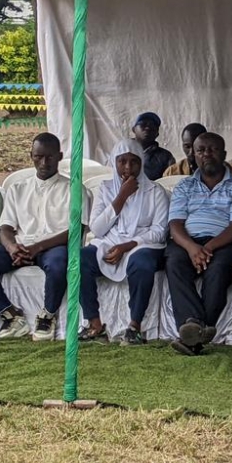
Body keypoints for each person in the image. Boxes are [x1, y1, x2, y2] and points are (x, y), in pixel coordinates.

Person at [0, 133, 91, 341]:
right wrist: (12, 247)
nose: (44, 162)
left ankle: (47, 316)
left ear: (60, 156)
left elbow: (75, 231)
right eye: (38, 157)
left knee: (59, 263)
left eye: (49, 157)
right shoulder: (17, 188)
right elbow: (5, 227)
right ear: (31, 155)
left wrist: (37, 247)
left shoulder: (75, 189)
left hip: (53, 246)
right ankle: (10, 314)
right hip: (21, 246)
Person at [166, 132, 232, 355]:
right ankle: (195, 326)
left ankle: (193, 333)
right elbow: (175, 224)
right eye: (201, 150)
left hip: (226, 242)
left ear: (223, 154)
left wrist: (208, 248)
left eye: (212, 149)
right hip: (189, 241)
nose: (207, 154)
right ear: (193, 155)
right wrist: (193, 248)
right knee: (174, 261)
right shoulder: (184, 186)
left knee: (218, 267)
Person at [79, 139, 169, 345]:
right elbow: (97, 229)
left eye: (134, 162)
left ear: (142, 164)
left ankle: (134, 327)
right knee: (79, 260)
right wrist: (121, 195)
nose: (128, 168)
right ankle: (95, 324)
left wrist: (127, 246)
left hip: (142, 245)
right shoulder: (106, 188)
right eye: (122, 162)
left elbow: (159, 232)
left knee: (143, 263)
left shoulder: (155, 192)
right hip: (109, 244)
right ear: (114, 162)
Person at [130, 112, 176, 181]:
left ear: (157, 133)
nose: (148, 128)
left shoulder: (166, 157)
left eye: (152, 125)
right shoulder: (123, 151)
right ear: (134, 129)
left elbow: (169, 182)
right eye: (143, 124)